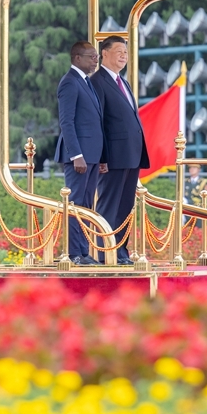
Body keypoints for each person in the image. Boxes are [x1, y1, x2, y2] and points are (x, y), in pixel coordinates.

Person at [90, 36, 150, 265]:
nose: (124, 55)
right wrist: (102, 156)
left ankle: (121, 252)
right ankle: (106, 253)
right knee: (109, 204)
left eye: (126, 52)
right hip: (112, 156)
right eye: (119, 51)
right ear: (104, 53)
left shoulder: (123, 82)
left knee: (125, 206)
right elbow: (99, 121)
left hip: (131, 154)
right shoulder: (97, 81)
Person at [54, 41, 106, 265]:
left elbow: (95, 123)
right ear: (77, 58)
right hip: (79, 157)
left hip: (92, 155)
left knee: (86, 205)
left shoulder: (86, 82)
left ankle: (84, 252)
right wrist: (76, 155)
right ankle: (74, 253)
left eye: (96, 57)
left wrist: (102, 157)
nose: (95, 60)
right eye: (91, 57)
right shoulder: (69, 83)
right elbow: (67, 122)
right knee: (75, 204)